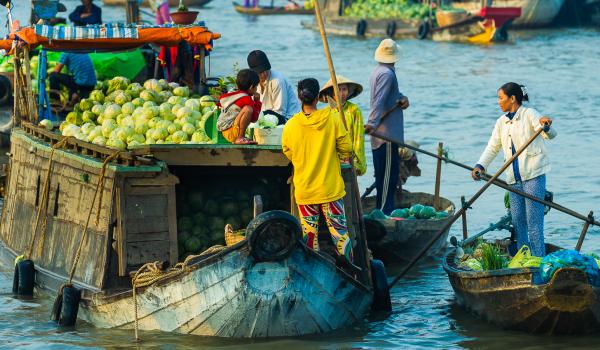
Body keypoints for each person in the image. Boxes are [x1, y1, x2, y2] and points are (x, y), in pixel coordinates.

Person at [472, 83, 556, 257]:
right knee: (518, 223)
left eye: (501, 98)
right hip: (513, 179)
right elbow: (492, 147)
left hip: (533, 176)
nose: (498, 102)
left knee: (534, 223)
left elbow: (549, 133)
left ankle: (538, 261)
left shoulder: (529, 114)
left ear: (512, 99)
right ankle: (523, 259)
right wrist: (480, 166)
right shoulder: (501, 122)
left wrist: (545, 126)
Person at [282, 78, 354, 264]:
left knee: (310, 239)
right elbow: (347, 148)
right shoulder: (333, 117)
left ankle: (313, 268)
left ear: (300, 98)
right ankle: (350, 271)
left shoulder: (291, 125)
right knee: (340, 236)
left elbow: (287, 151)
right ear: (317, 98)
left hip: (306, 190)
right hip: (330, 189)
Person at [364, 38, 409, 215]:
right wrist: (373, 123)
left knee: (384, 175)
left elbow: (390, 96)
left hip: (382, 134)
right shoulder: (387, 74)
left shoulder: (380, 71)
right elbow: (379, 102)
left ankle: (382, 210)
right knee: (388, 178)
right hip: (386, 135)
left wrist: (402, 98)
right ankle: (384, 213)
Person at [319, 75, 367, 176]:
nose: (341, 93)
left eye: (344, 89)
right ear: (331, 92)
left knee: (349, 189)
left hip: (349, 161)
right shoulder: (325, 113)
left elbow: (358, 139)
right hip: (332, 160)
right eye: (338, 89)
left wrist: (356, 162)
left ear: (348, 91)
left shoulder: (354, 110)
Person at [247, 50, 301, 123]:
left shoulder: (277, 81)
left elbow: (280, 113)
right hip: (267, 116)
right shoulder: (252, 83)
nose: (264, 74)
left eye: (266, 69)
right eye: (260, 72)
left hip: (288, 119)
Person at [217, 69, 262, 145]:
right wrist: (257, 102)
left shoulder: (233, 93)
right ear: (251, 87)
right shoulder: (246, 99)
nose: (257, 89)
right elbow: (254, 119)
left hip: (224, 131)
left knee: (246, 109)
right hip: (230, 132)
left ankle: (240, 137)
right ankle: (240, 137)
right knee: (248, 109)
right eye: (256, 86)